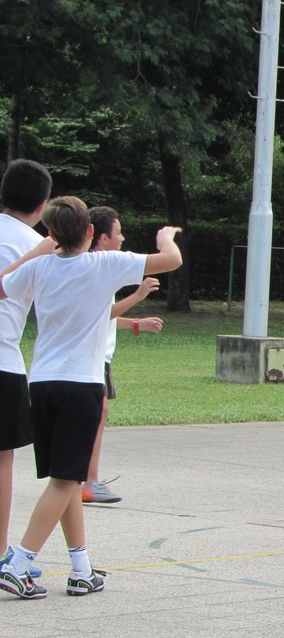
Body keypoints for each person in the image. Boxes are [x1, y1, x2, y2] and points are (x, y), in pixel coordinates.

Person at [0, 196, 182, 599]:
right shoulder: (104, 264)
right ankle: (18, 563)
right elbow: (171, 261)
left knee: (65, 478)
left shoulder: (39, 266)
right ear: (89, 231)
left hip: (41, 383)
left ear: (51, 233)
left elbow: (1, 287)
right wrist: (166, 237)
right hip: (80, 384)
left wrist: (33, 253)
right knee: (66, 479)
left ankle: (81, 568)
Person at [81, 206, 164, 505]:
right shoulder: (99, 267)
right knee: (97, 415)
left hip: (93, 356)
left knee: (97, 414)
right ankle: (87, 482)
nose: (123, 237)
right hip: (93, 357)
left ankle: (83, 480)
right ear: (102, 238)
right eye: (118, 232)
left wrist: (137, 324)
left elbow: (101, 316)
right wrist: (138, 295)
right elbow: (99, 314)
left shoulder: (88, 267)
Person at [0, 159, 51, 580]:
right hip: (3, 360)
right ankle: (1, 552)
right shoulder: (39, 247)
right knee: (2, 460)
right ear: (42, 204)